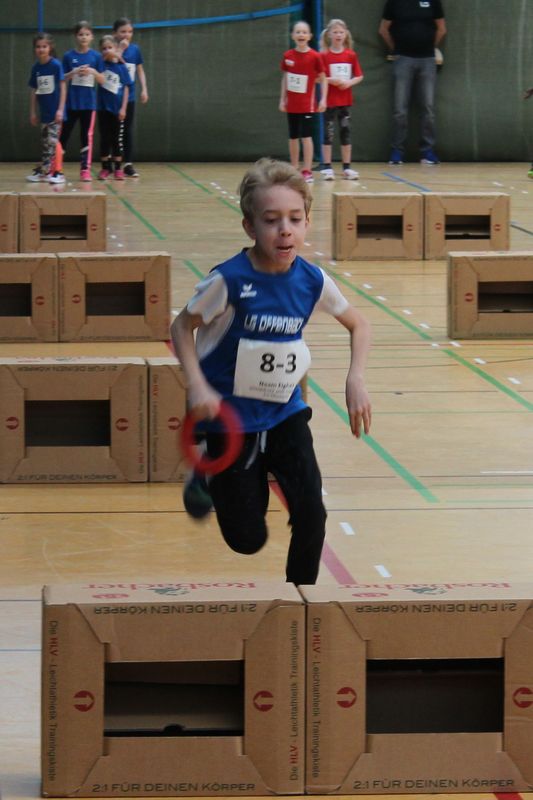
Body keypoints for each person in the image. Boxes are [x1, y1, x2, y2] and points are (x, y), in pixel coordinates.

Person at [170, 158, 372, 585]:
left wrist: (355, 377)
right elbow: (181, 327)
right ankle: (207, 468)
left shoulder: (312, 281)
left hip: (284, 412)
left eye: (295, 219)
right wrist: (198, 386)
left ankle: (303, 601)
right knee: (248, 539)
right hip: (229, 418)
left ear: (307, 223)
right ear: (250, 227)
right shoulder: (228, 281)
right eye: (271, 220)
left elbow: (359, 323)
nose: (285, 230)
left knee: (312, 513)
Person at [378, 0, 446, 165]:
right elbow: (383, 30)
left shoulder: (433, 1)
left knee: (428, 108)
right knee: (400, 109)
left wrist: (429, 47)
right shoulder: (394, 2)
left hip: (427, 60)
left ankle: (427, 151)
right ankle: (397, 151)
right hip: (402, 59)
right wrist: (396, 50)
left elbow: (442, 29)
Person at [279, 20, 327, 184]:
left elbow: (323, 78)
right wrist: (282, 99)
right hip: (292, 104)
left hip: (307, 105)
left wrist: (323, 99)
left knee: (306, 137)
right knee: (293, 136)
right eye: (298, 32)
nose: (301, 35)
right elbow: (285, 78)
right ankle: (294, 167)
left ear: (310, 36)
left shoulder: (315, 56)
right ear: (292, 35)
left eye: (304, 32)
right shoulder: (288, 56)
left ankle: (307, 170)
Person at [319, 18, 364, 181]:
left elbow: (359, 76)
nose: (338, 35)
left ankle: (347, 168)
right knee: (328, 134)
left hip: (345, 102)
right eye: (335, 32)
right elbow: (318, 78)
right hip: (330, 102)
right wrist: (331, 80)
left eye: (341, 32)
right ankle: (327, 167)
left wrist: (349, 83)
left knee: (346, 133)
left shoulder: (350, 55)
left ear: (346, 34)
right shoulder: (324, 56)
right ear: (329, 35)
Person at [60, 21, 104, 182]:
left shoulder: (96, 57)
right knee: (63, 135)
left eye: (87, 34)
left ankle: (85, 169)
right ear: (75, 36)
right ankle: (56, 168)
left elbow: (102, 80)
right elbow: (62, 78)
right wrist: (73, 72)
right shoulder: (68, 56)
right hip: (71, 103)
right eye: (80, 34)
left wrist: (92, 71)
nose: (84, 37)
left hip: (89, 104)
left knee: (86, 136)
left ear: (91, 37)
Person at [27, 32, 66, 184]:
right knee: (45, 143)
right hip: (44, 113)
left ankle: (58, 172)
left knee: (53, 141)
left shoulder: (56, 65)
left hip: (56, 113)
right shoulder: (35, 68)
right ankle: (45, 172)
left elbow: (63, 87)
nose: (41, 49)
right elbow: (34, 90)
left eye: (44, 46)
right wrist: (32, 112)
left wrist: (60, 109)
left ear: (50, 47)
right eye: (38, 47)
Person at [112, 16, 149, 178]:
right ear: (115, 33)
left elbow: (139, 70)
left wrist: (144, 89)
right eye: (123, 31)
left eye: (129, 32)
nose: (126, 35)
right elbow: (112, 61)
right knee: (112, 131)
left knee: (127, 130)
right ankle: (112, 163)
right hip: (112, 97)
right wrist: (120, 48)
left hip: (129, 97)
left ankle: (128, 163)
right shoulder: (110, 47)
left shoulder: (135, 50)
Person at [96, 35, 132, 180]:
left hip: (117, 109)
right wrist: (105, 57)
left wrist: (123, 108)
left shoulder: (121, 67)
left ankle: (118, 168)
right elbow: (97, 72)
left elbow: (126, 88)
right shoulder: (101, 65)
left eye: (110, 48)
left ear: (116, 49)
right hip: (102, 108)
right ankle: (105, 168)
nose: (107, 51)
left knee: (116, 139)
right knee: (104, 138)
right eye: (104, 48)